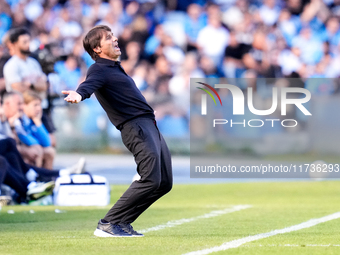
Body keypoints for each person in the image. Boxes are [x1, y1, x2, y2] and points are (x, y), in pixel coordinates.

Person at [62, 25, 173, 237]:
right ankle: (108, 223)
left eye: (113, 36)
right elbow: (88, 85)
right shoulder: (98, 69)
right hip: (136, 127)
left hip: (149, 125)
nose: (114, 39)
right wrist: (79, 94)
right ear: (97, 48)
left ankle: (121, 223)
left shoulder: (114, 67)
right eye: (108, 38)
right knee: (150, 178)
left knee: (164, 182)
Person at [3, 27, 57, 147]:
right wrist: (36, 87)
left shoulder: (33, 63)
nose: (28, 45)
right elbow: (17, 87)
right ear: (15, 44)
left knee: (51, 144)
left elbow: (44, 85)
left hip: (39, 108)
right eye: (24, 42)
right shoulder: (12, 65)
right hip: (23, 112)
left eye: (29, 41)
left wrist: (30, 85)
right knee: (36, 148)